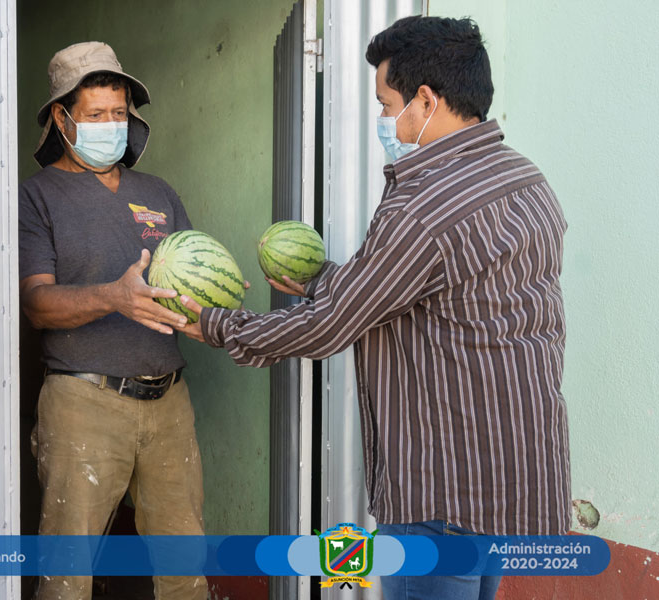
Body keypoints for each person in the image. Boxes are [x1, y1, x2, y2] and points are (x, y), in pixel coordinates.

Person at [178, 16, 570, 600]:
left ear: (426, 101)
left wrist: (217, 324)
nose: (384, 119)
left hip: (444, 489)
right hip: (514, 473)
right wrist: (327, 280)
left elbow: (331, 326)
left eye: (387, 104)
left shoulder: (424, 204)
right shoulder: (524, 179)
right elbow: (439, 294)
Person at [19, 41, 207, 600]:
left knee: (185, 569)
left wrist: (221, 316)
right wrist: (114, 297)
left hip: (169, 402)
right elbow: (36, 305)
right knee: (67, 576)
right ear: (62, 119)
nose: (110, 125)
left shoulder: (158, 192)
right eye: (96, 114)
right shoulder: (37, 197)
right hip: (83, 403)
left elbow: (189, 282)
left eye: (118, 114)